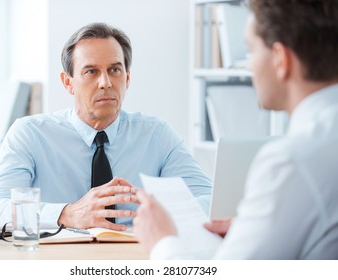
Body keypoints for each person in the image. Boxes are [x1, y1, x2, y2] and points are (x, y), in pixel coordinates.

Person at [133, 0, 338, 259]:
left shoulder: (291, 162)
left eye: (251, 50)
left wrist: (162, 241)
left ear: (280, 59)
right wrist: (255, 230)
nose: (248, 65)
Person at [0, 23, 212, 231]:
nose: (106, 83)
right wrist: (67, 214)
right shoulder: (29, 134)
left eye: (115, 70)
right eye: (91, 71)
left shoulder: (157, 135)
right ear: (68, 82)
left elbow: (211, 200)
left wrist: (161, 209)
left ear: (127, 79)